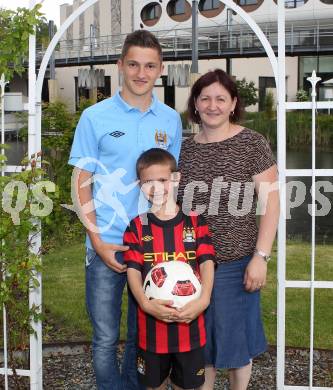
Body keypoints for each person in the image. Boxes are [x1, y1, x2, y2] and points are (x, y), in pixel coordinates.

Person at [68, 30, 182, 390]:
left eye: (149, 66)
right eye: (133, 64)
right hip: (107, 246)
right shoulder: (94, 116)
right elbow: (81, 181)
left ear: (160, 70)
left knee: (140, 338)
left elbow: (169, 183)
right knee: (104, 338)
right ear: (120, 66)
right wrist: (98, 242)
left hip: (150, 247)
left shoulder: (170, 120)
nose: (140, 73)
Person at [177, 69, 280, 390]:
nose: (212, 105)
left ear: (233, 103)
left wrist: (261, 256)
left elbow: (272, 204)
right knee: (200, 349)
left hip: (236, 265)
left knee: (237, 348)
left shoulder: (251, 143)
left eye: (221, 98)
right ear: (195, 103)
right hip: (190, 267)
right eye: (205, 98)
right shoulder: (184, 149)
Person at [123, 148, 215, 390]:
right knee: (153, 386)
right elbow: (132, 270)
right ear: (139, 185)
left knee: (189, 386)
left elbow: (206, 263)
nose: (156, 188)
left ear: (176, 178)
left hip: (190, 328)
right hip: (152, 334)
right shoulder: (136, 227)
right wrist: (144, 303)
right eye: (148, 182)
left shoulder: (195, 222)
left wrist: (204, 299)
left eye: (162, 180)